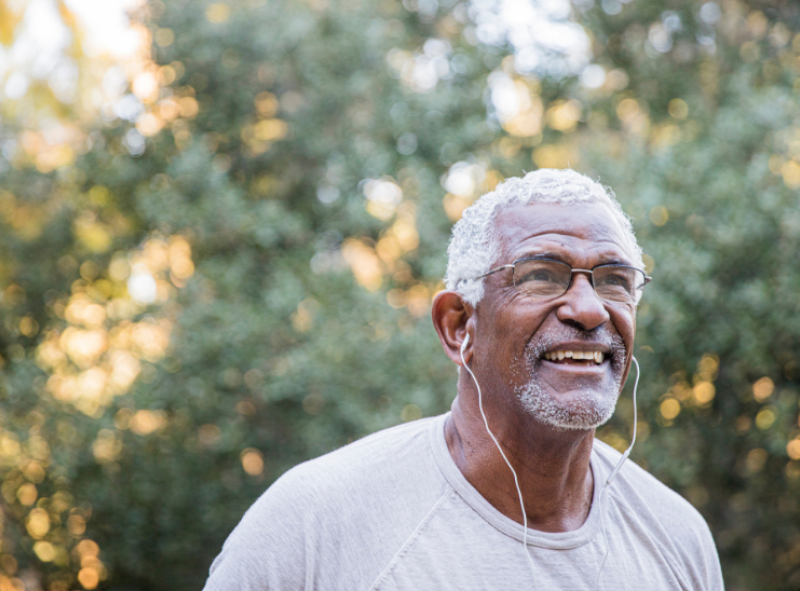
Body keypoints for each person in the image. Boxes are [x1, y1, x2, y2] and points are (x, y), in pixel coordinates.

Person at [203, 169, 724, 590]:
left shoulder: (677, 539)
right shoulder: (315, 524)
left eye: (615, 281)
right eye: (542, 275)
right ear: (458, 326)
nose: (589, 309)